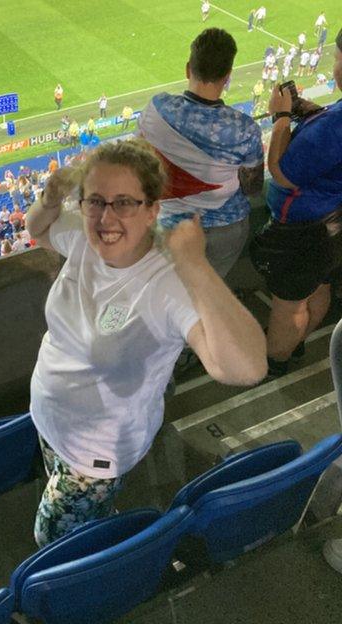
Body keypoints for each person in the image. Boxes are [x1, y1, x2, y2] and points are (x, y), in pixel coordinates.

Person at [25, 140, 266, 547]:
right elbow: (39, 230)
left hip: (94, 453)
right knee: (82, 522)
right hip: (51, 421)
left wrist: (195, 265)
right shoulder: (85, 239)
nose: (106, 217)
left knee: (49, 540)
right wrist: (49, 199)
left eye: (124, 203)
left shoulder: (167, 281)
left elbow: (247, 368)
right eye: (95, 201)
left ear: (152, 208)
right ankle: (100, 526)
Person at [250, 27, 342, 381]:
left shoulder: (335, 126)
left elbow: (283, 173)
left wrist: (282, 118)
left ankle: (276, 362)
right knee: (320, 286)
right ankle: (296, 342)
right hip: (334, 223)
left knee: (289, 304)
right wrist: (312, 112)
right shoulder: (332, 122)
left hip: (305, 229)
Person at [139, 28, 264, 278]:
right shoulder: (244, 128)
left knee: (171, 298)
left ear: (188, 69)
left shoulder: (156, 108)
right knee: (209, 296)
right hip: (226, 229)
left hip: (168, 226)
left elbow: (139, 162)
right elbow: (253, 188)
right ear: (227, 77)